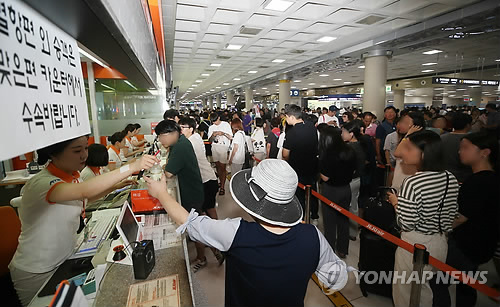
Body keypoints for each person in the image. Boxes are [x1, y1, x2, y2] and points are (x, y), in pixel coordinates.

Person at [145, 159, 348, 306]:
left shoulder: (235, 232)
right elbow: (336, 280)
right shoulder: (313, 236)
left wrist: (161, 193)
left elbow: (191, 223)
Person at [9, 136, 156, 306]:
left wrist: (114, 186)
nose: (84, 155)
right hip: (38, 270)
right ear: (54, 153)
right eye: (77, 151)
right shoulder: (42, 183)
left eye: (85, 148)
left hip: (64, 258)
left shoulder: (72, 177)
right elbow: (84, 191)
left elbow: (86, 198)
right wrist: (132, 167)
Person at [387, 130, 459, 307]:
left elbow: (406, 222)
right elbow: (452, 213)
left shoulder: (414, 182)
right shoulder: (450, 178)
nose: (404, 153)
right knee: (424, 289)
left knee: (405, 293)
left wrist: (396, 203)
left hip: (414, 245)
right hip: (440, 243)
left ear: (424, 153)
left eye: (409, 148)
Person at [431, 131, 499, 307]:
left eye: (466, 148)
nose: (460, 152)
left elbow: (460, 217)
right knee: (466, 285)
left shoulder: (478, 182)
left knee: (437, 282)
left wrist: (434, 227)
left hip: (465, 244)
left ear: (485, 152)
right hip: (482, 244)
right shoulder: (490, 178)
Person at [155, 120, 208, 272]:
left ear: (172, 134)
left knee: (194, 226)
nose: (160, 140)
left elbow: (169, 173)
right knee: (197, 221)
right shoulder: (180, 141)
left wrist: (164, 168)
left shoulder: (180, 147)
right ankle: (210, 249)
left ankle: (202, 258)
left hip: (191, 193)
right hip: (194, 189)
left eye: (161, 136)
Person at [178, 117, 225, 266]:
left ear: (191, 128)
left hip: (204, 182)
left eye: (182, 127)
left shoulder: (190, 142)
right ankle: (216, 241)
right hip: (208, 179)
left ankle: (206, 252)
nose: (180, 131)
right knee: (209, 211)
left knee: (199, 217)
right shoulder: (196, 137)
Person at [319, 126, 356, 258]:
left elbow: (325, 177)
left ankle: (329, 251)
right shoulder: (349, 150)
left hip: (331, 190)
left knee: (330, 223)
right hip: (346, 188)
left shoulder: (328, 154)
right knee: (343, 220)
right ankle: (342, 249)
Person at [283, 104, 319, 223]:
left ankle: (302, 218)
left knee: (299, 195)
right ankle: (314, 216)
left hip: (297, 169)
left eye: (286, 117)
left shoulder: (292, 133)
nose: (286, 120)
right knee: (313, 192)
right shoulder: (311, 127)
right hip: (312, 167)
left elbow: (285, 154)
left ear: (291, 117)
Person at [341, 121, 366, 242]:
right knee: (354, 206)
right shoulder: (359, 144)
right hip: (357, 179)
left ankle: (345, 232)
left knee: (345, 206)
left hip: (349, 181)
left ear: (351, 134)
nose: (342, 134)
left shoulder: (349, 148)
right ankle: (353, 231)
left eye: (344, 132)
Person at [440, 112, 473, 183]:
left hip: (444, 177)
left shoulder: (441, 138)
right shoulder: (472, 140)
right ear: (468, 125)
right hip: (464, 178)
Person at [208, 113, 233, 195]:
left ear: (219, 118)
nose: (214, 123)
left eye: (215, 121)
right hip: (214, 147)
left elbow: (231, 137)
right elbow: (210, 140)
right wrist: (213, 134)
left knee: (223, 167)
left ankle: (222, 187)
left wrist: (223, 133)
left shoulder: (226, 125)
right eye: (213, 121)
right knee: (217, 166)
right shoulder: (211, 127)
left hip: (223, 148)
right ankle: (221, 181)